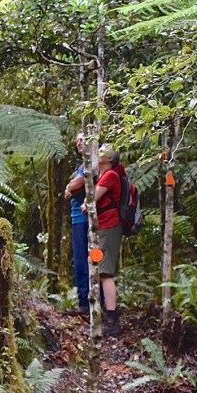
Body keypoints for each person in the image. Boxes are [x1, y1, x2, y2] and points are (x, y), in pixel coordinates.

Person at [94, 144, 124, 337]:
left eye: (104, 150)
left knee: (105, 272)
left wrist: (84, 205)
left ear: (110, 158)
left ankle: (112, 319)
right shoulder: (103, 175)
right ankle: (104, 310)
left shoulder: (110, 175)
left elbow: (91, 200)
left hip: (109, 226)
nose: (99, 152)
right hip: (102, 227)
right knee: (99, 266)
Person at [63, 133, 90, 315]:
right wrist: (70, 187)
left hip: (84, 220)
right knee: (81, 261)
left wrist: (70, 187)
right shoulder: (82, 166)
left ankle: (86, 303)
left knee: (85, 260)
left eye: (82, 139)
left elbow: (73, 187)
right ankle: (86, 301)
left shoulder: (91, 165)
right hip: (77, 219)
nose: (79, 143)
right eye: (77, 141)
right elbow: (69, 189)